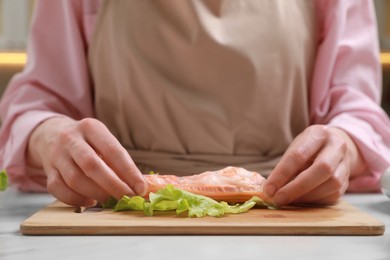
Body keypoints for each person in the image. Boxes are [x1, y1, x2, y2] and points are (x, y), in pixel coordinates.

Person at [1, 0, 390, 208]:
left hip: (287, 208)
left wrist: (344, 144)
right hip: (119, 209)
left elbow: (357, 113)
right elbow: (37, 103)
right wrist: (49, 137)